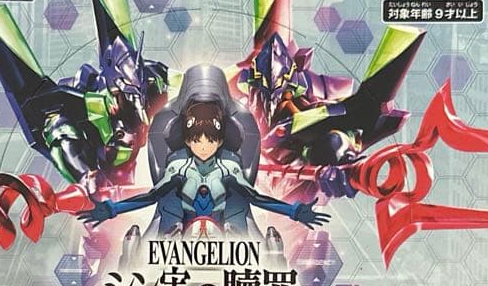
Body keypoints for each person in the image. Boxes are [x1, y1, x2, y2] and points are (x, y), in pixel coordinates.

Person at [78, 99, 328, 236]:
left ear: (219, 141)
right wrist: (112, 209)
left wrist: (294, 211)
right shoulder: (179, 167)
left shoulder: (229, 168)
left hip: (224, 236)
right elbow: (153, 196)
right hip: (181, 235)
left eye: (210, 140)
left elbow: (254, 197)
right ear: (187, 140)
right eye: (197, 140)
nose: (204, 146)